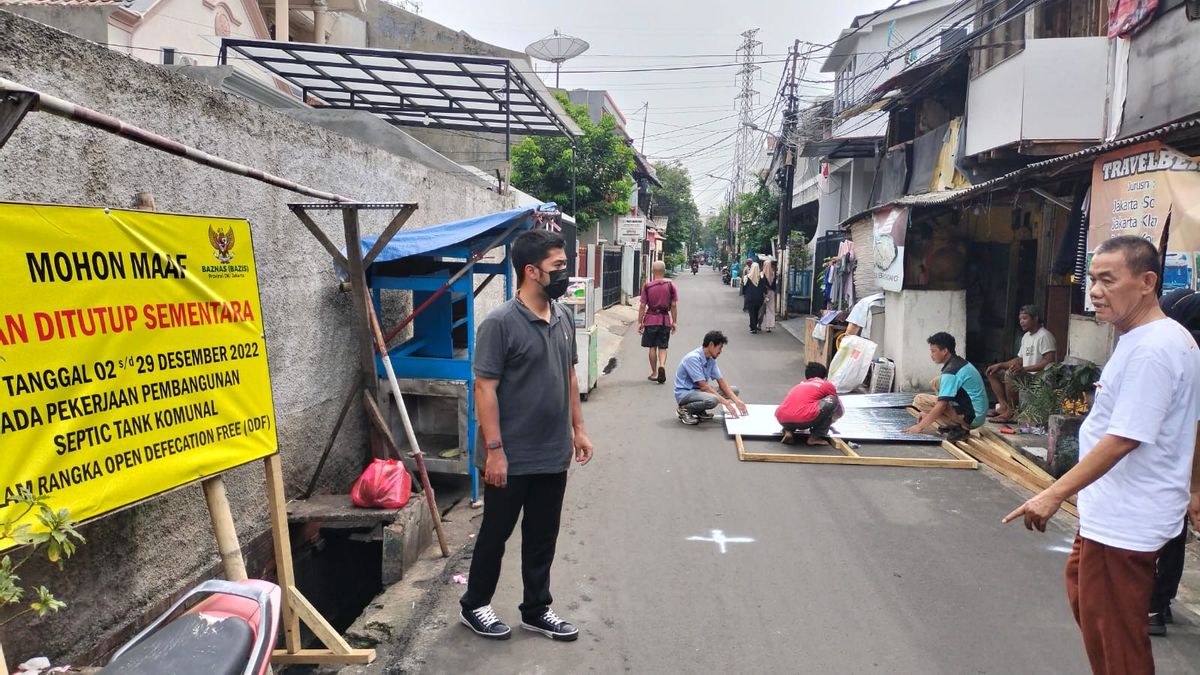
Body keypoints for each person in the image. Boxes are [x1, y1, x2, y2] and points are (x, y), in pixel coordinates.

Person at [1002, 236, 1200, 675]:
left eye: (1108, 280)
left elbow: (1124, 438)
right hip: (1114, 512)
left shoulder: (1152, 349)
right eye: (1092, 279)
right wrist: (1195, 488)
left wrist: (1052, 493)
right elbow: (1194, 421)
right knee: (1091, 606)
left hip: (1126, 520)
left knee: (1116, 643)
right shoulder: (1162, 338)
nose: (1094, 291)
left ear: (1147, 282)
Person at [460, 229, 594, 642]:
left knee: (541, 536)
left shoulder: (563, 317)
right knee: (495, 534)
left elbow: (569, 375)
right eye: (558, 267)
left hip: (552, 453)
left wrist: (578, 428)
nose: (565, 275)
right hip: (510, 456)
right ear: (531, 271)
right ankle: (475, 605)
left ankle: (536, 609)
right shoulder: (499, 324)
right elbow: (484, 389)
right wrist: (495, 450)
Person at [1148, 287, 1200, 637]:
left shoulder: (1181, 350)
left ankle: (1153, 606)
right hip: (1181, 461)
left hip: (1172, 460)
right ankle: (1159, 603)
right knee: (1174, 532)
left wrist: (1194, 486)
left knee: (1162, 532)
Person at [904, 332, 988, 442]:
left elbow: (941, 405)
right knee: (936, 381)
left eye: (933, 351)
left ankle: (958, 427)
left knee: (920, 400)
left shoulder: (951, 371)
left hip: (971, 418)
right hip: (978, 414)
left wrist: (919, 427)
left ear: (944, 351)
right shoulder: (959, 362)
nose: (931, 355)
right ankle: (954, 422)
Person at [984, 305, 1058, 423]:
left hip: (1039, 378)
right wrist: (1000, 365)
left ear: (1035, 319)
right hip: (1026, 374)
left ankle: (1012, 412)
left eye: (1025, 318)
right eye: (1020, 319)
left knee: (1010, 374)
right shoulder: (1026, 336)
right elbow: (1019, 359)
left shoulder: (1044, 336)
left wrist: (1025, 369)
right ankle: (1003, 407)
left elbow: (1049, 362)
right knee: (993, 372)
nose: (1021, 322)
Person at [674, 330, 748, 425]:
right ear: (711, 345)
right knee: (713, 400)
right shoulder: (693, 358)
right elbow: (704, 386)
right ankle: (684, 409)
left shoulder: (711, 359)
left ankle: (698, 410)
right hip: (686, 393)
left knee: (734, 390)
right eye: (719, 348)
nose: (720, 351)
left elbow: (721, 381)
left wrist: (736, 401)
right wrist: (727, 404)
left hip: (699, 392)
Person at [775, 362, 844, 445]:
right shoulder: (826, 384)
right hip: (804, 419)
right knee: (832, 400)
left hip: (782, 419)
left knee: (794, 411)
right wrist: (831, 419)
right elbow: (838, 408)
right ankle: (815, 437)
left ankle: (788, 431)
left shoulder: (799, 385)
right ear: (824, 377)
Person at [637, 260, 678, 384]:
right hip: (665, 320)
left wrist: (640, 322)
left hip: (650, 320)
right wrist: (674, 321)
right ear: (664, 271)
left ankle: (654, 373)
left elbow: (642, 305)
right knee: (663, 347)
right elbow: (674, 305)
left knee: (652, 347)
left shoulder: (647, 286)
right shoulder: (671, 285)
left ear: (653, 272)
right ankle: (662, 366)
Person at [743, 262, 766, 334]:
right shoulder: (761, 278)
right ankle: (754, 325)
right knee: (756, 312)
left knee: (752, 313)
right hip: (759, 299)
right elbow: (764, 289)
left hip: (750, 298)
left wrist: (745, 294)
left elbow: (744, 288)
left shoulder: (747, 277)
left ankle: (753, 328)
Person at [760, 259, 778, 333]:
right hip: (772, 292)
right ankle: (769, 327)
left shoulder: (762, 274)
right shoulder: (773, 274)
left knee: (761, 309)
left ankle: (758, 324)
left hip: (764, 293)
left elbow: (761, 285)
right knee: (770, 309)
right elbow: (775, 285)